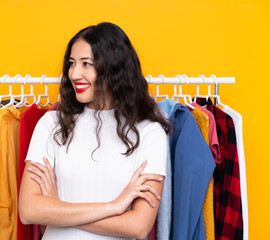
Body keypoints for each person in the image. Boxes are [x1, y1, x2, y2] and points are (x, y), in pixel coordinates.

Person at [19, 22, 170, 240]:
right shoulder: (52, 123)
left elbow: (138, 225)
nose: (74, 73)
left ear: (114, 69)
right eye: (72, 63)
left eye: (86, 64)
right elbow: (29, 210)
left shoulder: (149, 133)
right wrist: (113, 206)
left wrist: (59, 209)